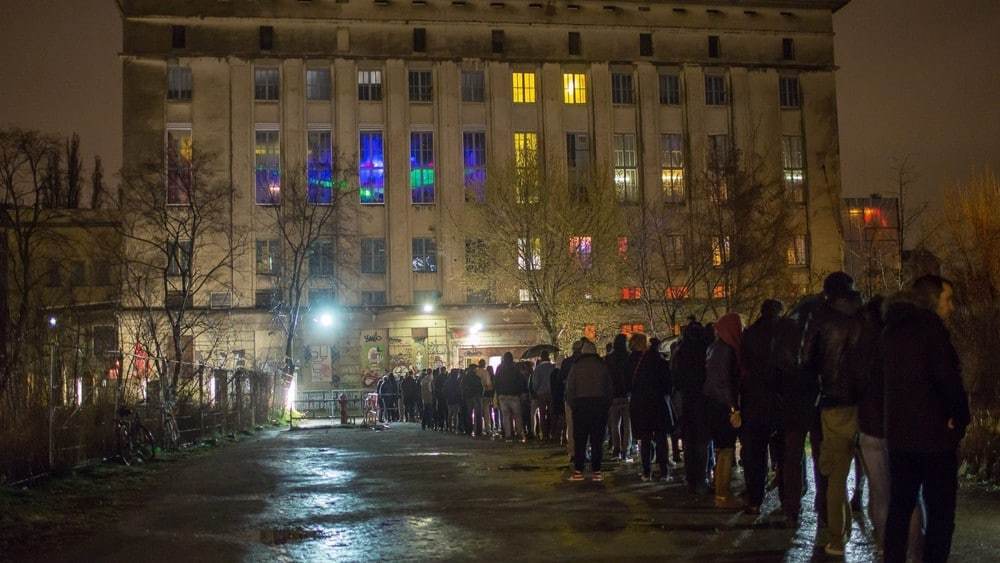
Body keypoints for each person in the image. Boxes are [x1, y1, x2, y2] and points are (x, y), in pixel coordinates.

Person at [883, 275, 969, 563]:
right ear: (933, 299)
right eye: (948, 299)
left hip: (899, 437)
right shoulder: (932, 330)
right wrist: (959, 417)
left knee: (900, 507)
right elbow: (947, 379)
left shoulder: (891, 329)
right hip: (934, 438)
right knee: (941, 513)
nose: (952, 307)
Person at [782, 271, 855, 527]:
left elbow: (790, 359)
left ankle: (791, 507)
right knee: (822, 454)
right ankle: (825, 508)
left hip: (793, 396)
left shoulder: (792, 320)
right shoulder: (828, 316)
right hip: (820, 394)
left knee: (792, 454)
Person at [801, 282, 865, 556]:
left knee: (836, 475)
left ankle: (837, 538)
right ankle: (889, 544)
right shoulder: (865, 318)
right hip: (869, 406)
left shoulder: (821, 319)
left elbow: (804, 359)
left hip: (834, 404)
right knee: (877, 473)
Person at [740, 300, 787, 515]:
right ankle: (788, 500)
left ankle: (755, 499)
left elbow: (743, 367)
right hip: (781, 399)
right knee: (785, 453)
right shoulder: (786, 332)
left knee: (755, 454)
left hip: (754, 400)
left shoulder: (750, 333)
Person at [704, 312, 744, 509]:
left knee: (722, 450)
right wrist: (733, 407)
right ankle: (722, 494)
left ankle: (720, 490)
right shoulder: (726, 350)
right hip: (723, 406)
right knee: (726, 451)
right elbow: (724, 382)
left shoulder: (713, 348)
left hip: (712, 404)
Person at [672, 320, 712, 494]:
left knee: (690, 442)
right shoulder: (706, 350)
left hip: (687, 400)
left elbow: (675, 377)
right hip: (703, 400)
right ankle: (701, 479)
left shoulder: (681, 352)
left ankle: (691, 479)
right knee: (702, 441)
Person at [565, 339, 613, 481]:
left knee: (580, 439)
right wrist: (606, 405)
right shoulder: (602, 366)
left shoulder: (576, 366)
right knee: (597, 440)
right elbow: (609, 388)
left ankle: (578, 471)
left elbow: (570, 388)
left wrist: (573, 405)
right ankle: (596, 471)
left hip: (581, 405)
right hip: (599, 405)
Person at [629, 334, 674, 481]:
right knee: (661, 439)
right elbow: (668, 385)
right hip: (658, 404)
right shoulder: (659, 360)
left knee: (645, 439)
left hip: (641, 405)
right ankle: (664, 471)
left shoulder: (634, 361)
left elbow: (629, 383)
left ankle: (646, 471)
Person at [605, 334, 632, 461]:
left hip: (613, 395)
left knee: (614, 424)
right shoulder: (629, 357)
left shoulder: (609, 359)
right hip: (627, 394)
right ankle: (626, 449)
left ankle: (616, 449)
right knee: (627, 425)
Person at [560, 339, 585, 462]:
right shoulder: (584, 363)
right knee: (583, 425)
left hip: (569, 397)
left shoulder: (566, 363)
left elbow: (561, 380)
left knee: (571, 426)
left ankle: (573, 452)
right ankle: (583, 451)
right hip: (583, 397)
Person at [494, 352, 527, 441]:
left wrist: (498, 393)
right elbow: (520, 381)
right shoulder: (515, 368)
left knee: (506, 416)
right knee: (517, 415)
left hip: (503, 396)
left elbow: (496, 382)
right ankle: (519, 433)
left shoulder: (499, 368)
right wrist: (522, 392)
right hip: (514, 395)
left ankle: (508, 434)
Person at [530, 351, 556, 440]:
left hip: (541, 394)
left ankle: (544, 434)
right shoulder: (553, 367)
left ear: (541, 358)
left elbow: (535, 383)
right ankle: (552, 432)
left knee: (542, 413)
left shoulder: (538, 369)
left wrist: (536, 391)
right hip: (552, 393)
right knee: (552, 413)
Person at [461, 362, 485, 436]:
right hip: (476, 397)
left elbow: (462, 387)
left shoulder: (465, 378)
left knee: (469, 414)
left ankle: (469, 430)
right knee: (478, 414)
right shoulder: (477, 377)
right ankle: (478, 431)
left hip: (469, 397)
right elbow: (481, 388)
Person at [476, 359, 495, 438]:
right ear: (484, 364)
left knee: (478, 412)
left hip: (477, 394)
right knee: (486, 412)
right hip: (485, 394)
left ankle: (477, 428)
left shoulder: (476, 372)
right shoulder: (485, 372)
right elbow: (488, 384)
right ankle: (487, 429)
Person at [445, 368, 463, 433]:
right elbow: (459, 391)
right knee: (455, 414)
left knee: (450, 414)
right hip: (456, 399)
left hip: (449, 399)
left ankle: (450, 427)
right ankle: (455, 427)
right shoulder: (457, 381)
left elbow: (445, 390)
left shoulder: (448, 381)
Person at [432, 365, 448, 430]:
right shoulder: (446, 377)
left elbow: (436, 388)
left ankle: (441, 425)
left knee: (440, 411)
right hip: (445, 397)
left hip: (439, 397)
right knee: (446, 411)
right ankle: (447, 425)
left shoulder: (437, 378)